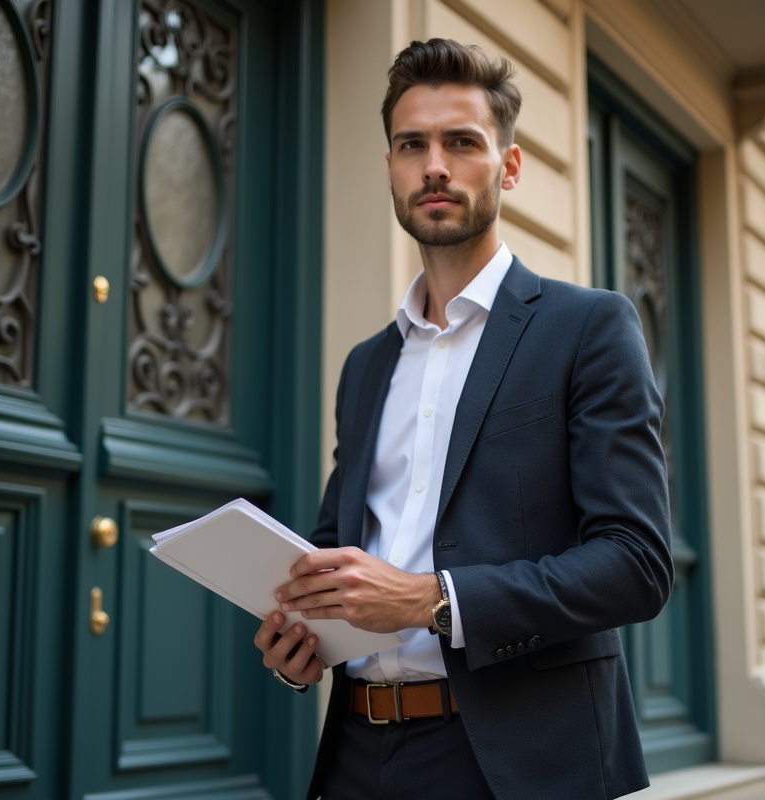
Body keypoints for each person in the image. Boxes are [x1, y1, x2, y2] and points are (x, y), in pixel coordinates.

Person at [253, 38, 673, 800]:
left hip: (517, 763)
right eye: (412, 144)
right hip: (355, 753)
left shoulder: (589, 329)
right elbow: (335, 547)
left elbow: (636, 564)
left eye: (461, 142)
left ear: (507, 166)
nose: (434, 166)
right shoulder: (365, 365)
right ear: (390, 167)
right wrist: (300, 636)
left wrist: (433, 600)